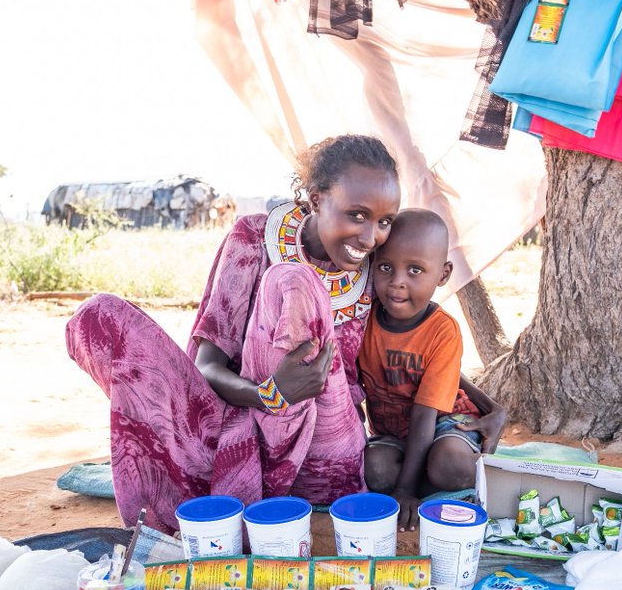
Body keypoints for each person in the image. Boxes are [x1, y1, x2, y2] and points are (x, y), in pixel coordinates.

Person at [66, 135, 403, 533]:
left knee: (293, 280)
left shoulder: (381, 265)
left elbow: (419, 343)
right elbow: (205, 368)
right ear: (316, 200)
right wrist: (270, 394)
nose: (370, 238)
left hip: (323, 447)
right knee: (97, 316)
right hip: (236, 422)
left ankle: (220, 498)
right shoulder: (253, 239)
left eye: (384, 222)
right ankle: (218, 483)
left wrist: (473, 412)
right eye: (357, 215)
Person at [358, 209, 506, 530]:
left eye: (415, 270)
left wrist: (406, 490)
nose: (397, 281)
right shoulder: (363, 320)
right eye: (385, 267)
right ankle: (433, 482)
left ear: (442, 274)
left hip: (446, 423)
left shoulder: (443, 331)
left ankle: (450, 477)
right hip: (393, 431)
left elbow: (425, 415)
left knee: (449, 465)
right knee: (374, 470)